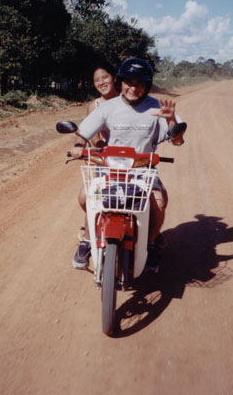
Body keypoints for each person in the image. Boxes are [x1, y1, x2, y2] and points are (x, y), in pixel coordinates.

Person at [71, 58, 185, 272]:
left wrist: (170, 121)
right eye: (129, 82)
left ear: (147, 85)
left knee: (159, 204)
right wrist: (78, 145)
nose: (133, 88)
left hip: (142, 170)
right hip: (110, 169)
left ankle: (150, 243)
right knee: (85, 197)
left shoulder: (157, 107)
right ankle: (88, 239)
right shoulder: (108, 107)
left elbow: (177, 141)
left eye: (140, 83)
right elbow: (84, 131)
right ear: (121, 82)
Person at [75, 63, 119, 242]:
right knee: (86, 198)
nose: (101, 82)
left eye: (105, 77)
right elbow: (93, 135)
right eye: (96, 80)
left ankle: (151, 238)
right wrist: (97, 144)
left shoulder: (128, 99)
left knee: (153, 199)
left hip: (132, 161)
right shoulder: (95, 106)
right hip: (106, 162)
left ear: (114, 78)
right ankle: (88, 234)